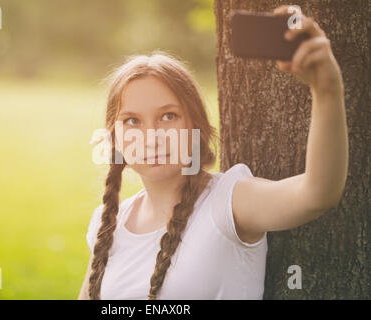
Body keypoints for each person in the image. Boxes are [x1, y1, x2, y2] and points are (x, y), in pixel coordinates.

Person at [78, 5, 348, 300]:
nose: (151, 137)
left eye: (168, 116)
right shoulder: (108, 223)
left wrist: (326, 90)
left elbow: (317, 193)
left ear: (197, 126)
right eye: (132, 121)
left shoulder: (228, 202)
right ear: (114, 138)